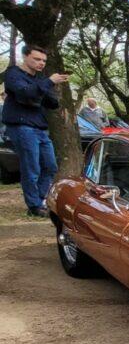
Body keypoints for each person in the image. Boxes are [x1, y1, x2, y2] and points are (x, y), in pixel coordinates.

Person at [3, 44, 68, 218]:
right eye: (37, 59)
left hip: (39, 127)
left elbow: (51, 103)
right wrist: (48, 83)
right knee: (32, 167)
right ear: (25, 57)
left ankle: (40, 201)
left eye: (44, 61)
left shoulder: (39, 79)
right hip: (21, 126)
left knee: (50, 166)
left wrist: (49, 88)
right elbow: (25, 94)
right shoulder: (13, 74)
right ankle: (33, 206)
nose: (41, 63)